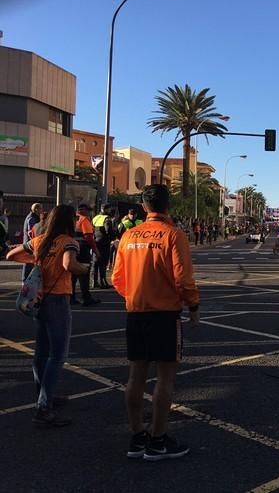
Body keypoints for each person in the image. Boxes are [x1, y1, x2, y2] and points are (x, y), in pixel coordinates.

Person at [112, 184, 199, 461]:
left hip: (135, 312)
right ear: (167, 205)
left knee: (136, 375)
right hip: (164, 314)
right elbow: (183, 278)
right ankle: (158, 440)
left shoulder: (128, 235)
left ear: (143, 206)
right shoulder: (174, 235)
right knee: (165, 377)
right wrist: (193, 305)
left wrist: (135, 296)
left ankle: (137, 436)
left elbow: (117, 277)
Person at [7, 205, 89, 426]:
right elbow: (68, 264)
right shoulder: (68, 242)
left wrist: (36, 261)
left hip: (40, 299)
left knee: (42, 351)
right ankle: (43, 408)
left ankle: (44, 395)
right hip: (58, 297)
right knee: (58, 354)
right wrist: (84, 268)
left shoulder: (40, 240)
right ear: (69, 221)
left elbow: (11, 254)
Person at [72, 204, 100, 306]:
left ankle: (71, 297)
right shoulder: (84, 220)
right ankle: (86, 298)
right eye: (89, 211)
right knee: (84, 273)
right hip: (83, 249)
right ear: (84, 211)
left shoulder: (73, 219)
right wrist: (96, 250)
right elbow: (88, 237)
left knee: (73, 274)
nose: (90, 213)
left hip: (71, 248)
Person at [92, 204, 117, 289]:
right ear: (106, 209)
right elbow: (108, 230)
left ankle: (94, 282)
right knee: (103, 262)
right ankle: (103, 282)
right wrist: (113, 237)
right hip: (104, 243)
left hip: (96, 242)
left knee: (95, 263)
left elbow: (92, 230)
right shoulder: (107, 218)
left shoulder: (95, 218)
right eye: (109, 209)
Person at [22, 202, 42, 280]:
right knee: (28, 263)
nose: (41, 210)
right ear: (36, 209)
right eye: (40, 208)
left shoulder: (32, 217)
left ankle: (27, 280)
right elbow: (31, 232)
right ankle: (25, 280)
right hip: (30, 244)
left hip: (30, 243)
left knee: (30, 263)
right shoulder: (32, 218)